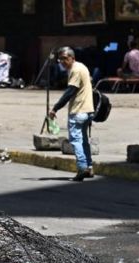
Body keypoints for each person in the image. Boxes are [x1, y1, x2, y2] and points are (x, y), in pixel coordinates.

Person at [49, 47, 95, 182]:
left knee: (76, 141)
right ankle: (89, 167)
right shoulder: (82, 67)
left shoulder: (75, 70)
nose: (62, 61)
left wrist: (55, 108)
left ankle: (82, 168)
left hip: (78, 111)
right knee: (84, 141)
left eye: (65, 58)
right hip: (87, 111)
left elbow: (70, 91)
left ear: (72, 58)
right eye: (60, 59)